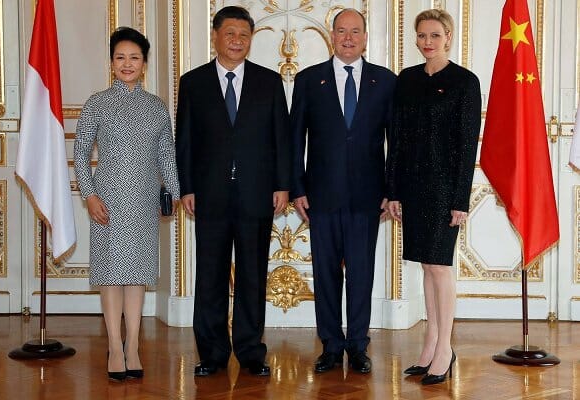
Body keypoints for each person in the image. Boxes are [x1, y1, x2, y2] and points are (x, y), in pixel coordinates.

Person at [175, 6, 290, 377]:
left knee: (253, 275)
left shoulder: (269, 82)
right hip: (208, 195)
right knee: (209, 275)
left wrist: (282, 184)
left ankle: (251, 351)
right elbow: (185, 142)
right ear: (215, 35)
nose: (237, 40)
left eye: (243, 34)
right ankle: (211, 353)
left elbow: (281, 140)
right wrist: (187, 187)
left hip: (258, 194)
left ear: (250, 39)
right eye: (230, 33)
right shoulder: (192, 82)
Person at [290, 8, 396, 374]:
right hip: (321, 195)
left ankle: (359, 346)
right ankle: (331, 346)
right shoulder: (309, 80)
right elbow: (294, 139)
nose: (348, 38)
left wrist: (391, 190)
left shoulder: (385, 81)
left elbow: (394, 142)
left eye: (355, 31)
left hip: (369, 197)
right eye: (341, 31)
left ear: (365, 37)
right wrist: (296, 188)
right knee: (326, 273)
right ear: (330, 36)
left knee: (362, 274)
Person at [74, 27, 180, 381]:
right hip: (106, 201)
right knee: (111, 276)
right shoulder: (96, 103)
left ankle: (133, 345)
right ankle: (115, 347)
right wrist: (88, 194)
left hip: (145, 200)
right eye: (120, 57)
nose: (127, 63)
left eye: (134, 57)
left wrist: (174, 194)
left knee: (137, 276)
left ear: (145, 63)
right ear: (111, 62)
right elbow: (80, 152)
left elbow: (167, 154)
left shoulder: (156, 107)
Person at [386, 9, 481, 385]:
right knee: (426, 265)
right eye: (422, 36)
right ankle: (430, 345)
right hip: (411, 185)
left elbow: (466, 145)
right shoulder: (406, 80)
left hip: (445, 188)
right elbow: (397, 138)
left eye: (435, 35)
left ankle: (445, 349)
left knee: (440, 266)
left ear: (448, 37)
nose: (427, 42)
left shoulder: (464, 81)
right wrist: (393, 190)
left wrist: (460, 199)